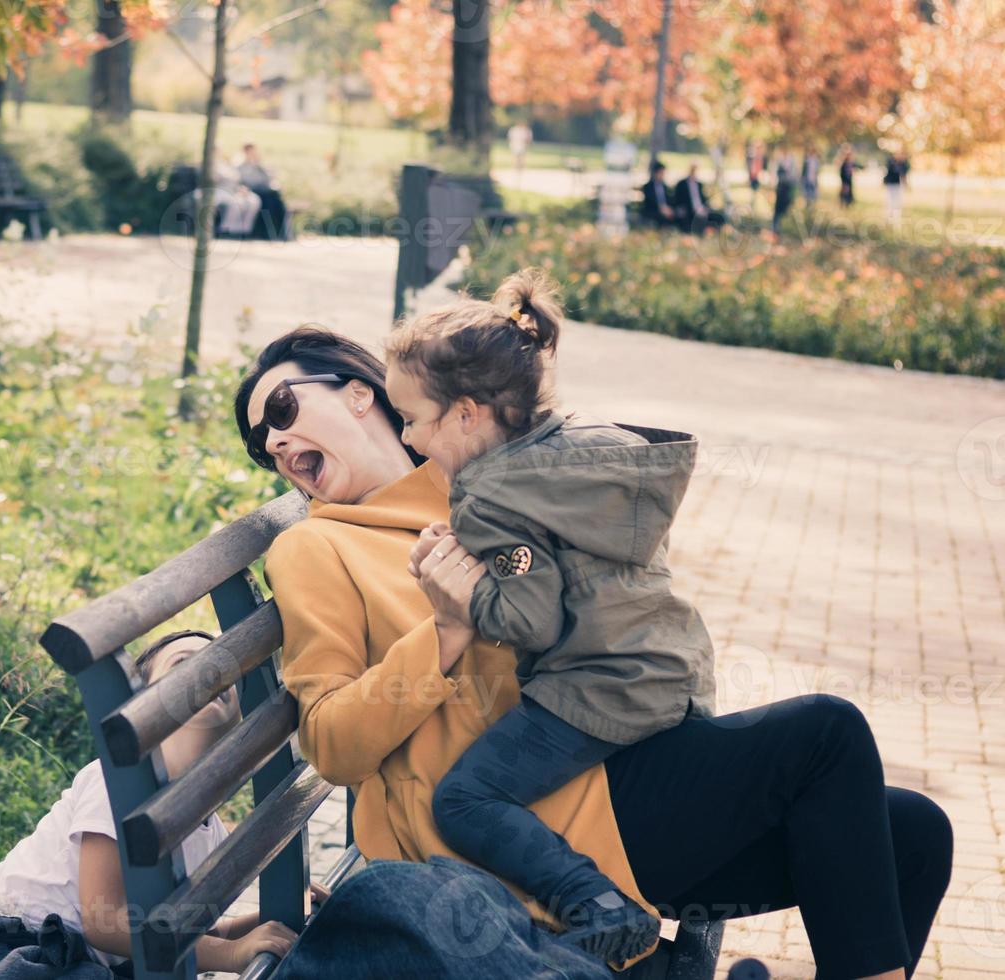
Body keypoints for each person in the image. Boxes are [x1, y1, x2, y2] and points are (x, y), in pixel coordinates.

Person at [235, 326, 953, 979]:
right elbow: (329, 745)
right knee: (826, 734)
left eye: (280, 410)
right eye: (258, 444)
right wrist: (445, 633)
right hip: (516, 830)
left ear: (360, 394)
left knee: (914, 835)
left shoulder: (490, 477)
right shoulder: (318, 546)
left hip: (602, 770)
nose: (271, 443)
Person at [376, 269, 713, 962]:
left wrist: (464, 588)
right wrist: (509, 560)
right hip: (670, 667)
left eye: (412, 420)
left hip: (599, 684)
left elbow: (531, 611)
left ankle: (598, 905)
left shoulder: (492, 500)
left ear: (467, 413)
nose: (409, 441)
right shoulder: (577, 450)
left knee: (466, 800)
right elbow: (544, 563)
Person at [0, 630, 302, 974]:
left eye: (226, 671)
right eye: (183, 663)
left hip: (78, 962)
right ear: (143, 705)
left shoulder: (210, 834)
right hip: (16, 946)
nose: (209, 673)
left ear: (239, 715)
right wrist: (228, 955)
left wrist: (261, 925)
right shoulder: (117, 784)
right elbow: (104, 921)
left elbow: (185, 936)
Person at [237, 143, 290, 241]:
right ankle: (270, 233)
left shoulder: (259, 166)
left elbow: (268, 179)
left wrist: (258, 165)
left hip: (265, 191)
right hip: (252, 191)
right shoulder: (241, 166)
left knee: (278, 201)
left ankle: (281, 233)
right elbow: (243, 181)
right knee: (270, 201)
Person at [206, 158, 261, 239]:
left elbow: (238, 182)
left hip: (234, 191)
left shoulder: (231, 167)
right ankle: (226, 230)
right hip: (220, 191)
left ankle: (245, 230)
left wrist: (242, 189)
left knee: (254, 200)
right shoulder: (211, 166)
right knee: (235, 203)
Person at [673, 163, 725, 234]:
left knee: (719, 217)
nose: (694, 172)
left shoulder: (699, 184)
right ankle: (702, 230)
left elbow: (703, 199)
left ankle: (711, 230)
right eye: (693, 170)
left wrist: (705, 208)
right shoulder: (682, 184)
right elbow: (678, 199)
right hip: (689, 211)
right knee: (690, 222)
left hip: (702, 210)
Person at [639, 160, 678, 228]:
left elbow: (669, 200)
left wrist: (670, 209)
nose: (663, 175)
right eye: (661, 173)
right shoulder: (648, 186)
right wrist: (661, 208)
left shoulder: (665, 187)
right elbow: (650, 201)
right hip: (653, 211)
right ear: (656, 173)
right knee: (662, 217)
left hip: (665, 210)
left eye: (664, 173)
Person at [772, 152, 797, 233]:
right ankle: (776, 227)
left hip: (787, 191)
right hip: (781, 190)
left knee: (785, 210)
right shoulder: (780, 166)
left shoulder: (792, 167)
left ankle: (783, 227)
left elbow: (794, 180)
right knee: (778, 210)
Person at [884, 152, 910, 225]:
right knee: (890, 201)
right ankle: (888, 218)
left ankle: (897, 218)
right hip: (890, 184)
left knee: (898, 202)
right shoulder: (891, 162)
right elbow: (888, 173)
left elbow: (903, 175)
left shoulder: (904, 164)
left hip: (898, 185)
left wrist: (906, 185)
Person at [802, 147, 821, 212]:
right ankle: (808, 205)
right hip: (807, 179)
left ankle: (812, 206)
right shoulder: (807, 160)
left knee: (813, 194)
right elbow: (804, 171)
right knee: (807, 193)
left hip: (813, 180)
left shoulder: (816, 161)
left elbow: (817, 171)